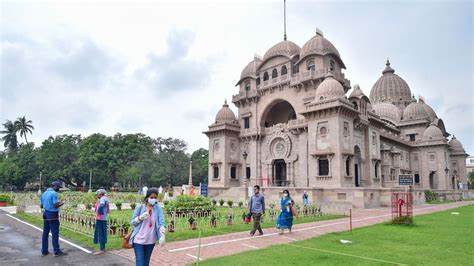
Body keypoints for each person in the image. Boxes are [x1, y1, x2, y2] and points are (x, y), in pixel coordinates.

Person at [129, 188, 166, 266]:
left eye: (155, 198)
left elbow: (161, 223)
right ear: (147, 197)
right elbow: (133, 222)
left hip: (150, 241)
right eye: (151, 197)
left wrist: (162, 235)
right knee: (140, 263)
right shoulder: (140, 208)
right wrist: (140, 217)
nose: (153, 199)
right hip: (139, 240)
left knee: (146, 263)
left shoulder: (158, 209)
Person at [40, 181, 66, 257]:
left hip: (45, 214)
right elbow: (55, 205)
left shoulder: (44, 193)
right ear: (55, 186)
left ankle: (44, 250)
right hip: (53, 214)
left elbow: (41, 205)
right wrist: (62, 203)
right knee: (54, 233)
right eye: (58, 187)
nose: (59, 189)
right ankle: (57, 251)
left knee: (45, 233)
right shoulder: (54, 193)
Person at [93, 189, 110, 255]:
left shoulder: (102, 199)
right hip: (104, 218)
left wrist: (99, 212)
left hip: (100, 218)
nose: (97, 196)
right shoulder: (106, 198)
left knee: (100, 233)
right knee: (103, 233)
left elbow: (102, 205)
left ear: (100, 194)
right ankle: (103, 248)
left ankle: (102, 249)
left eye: (97, 194)